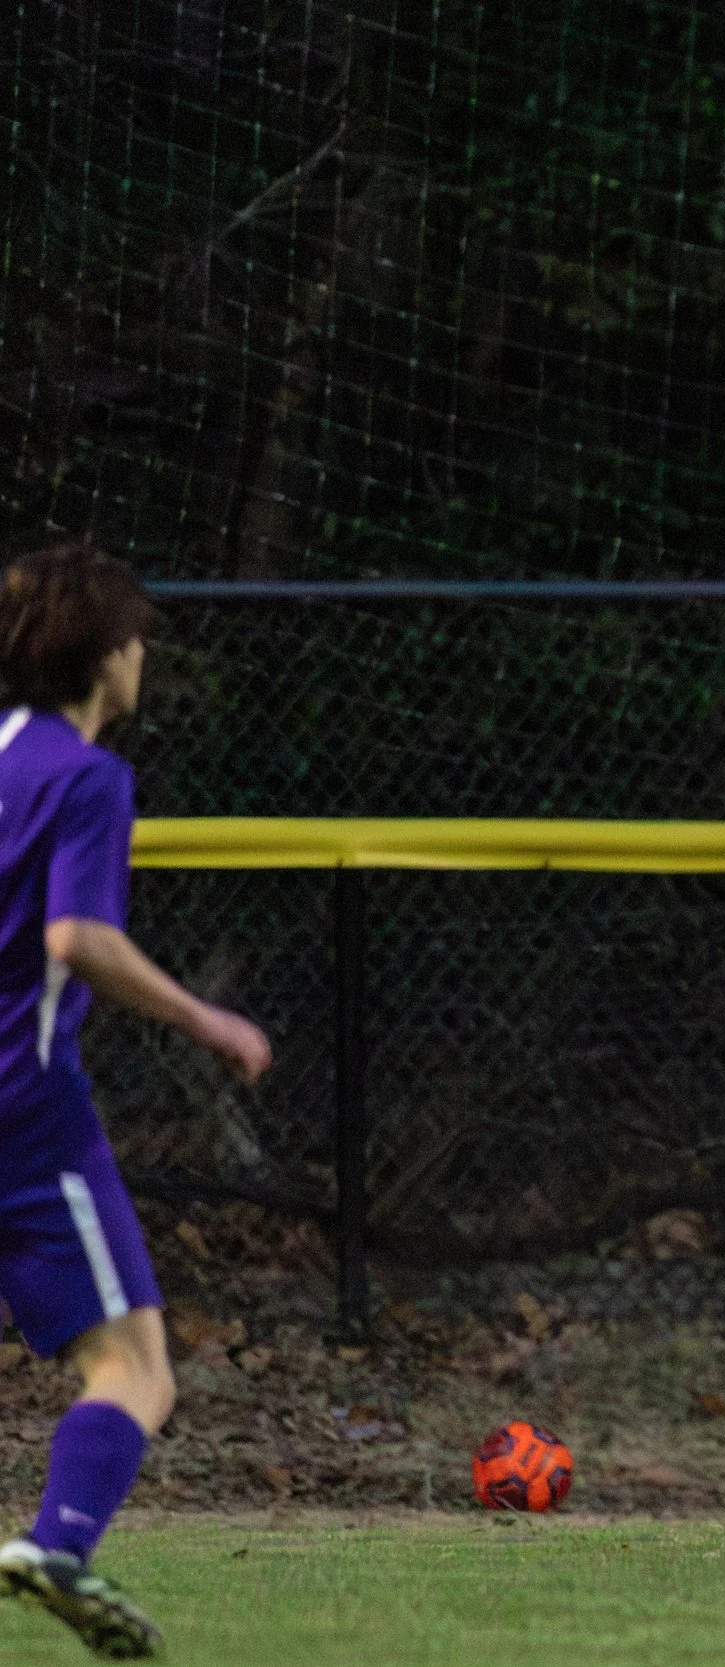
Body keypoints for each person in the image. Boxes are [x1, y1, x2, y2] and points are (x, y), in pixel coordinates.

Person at [0, 541, 271, 1657]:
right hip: (23, 1106)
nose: (143, 657)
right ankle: (57, 1544)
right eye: (139, 639)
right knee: (135, 1367)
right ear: (108, 653)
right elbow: (78, 937)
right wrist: (206, 1018)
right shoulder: (87, 777)